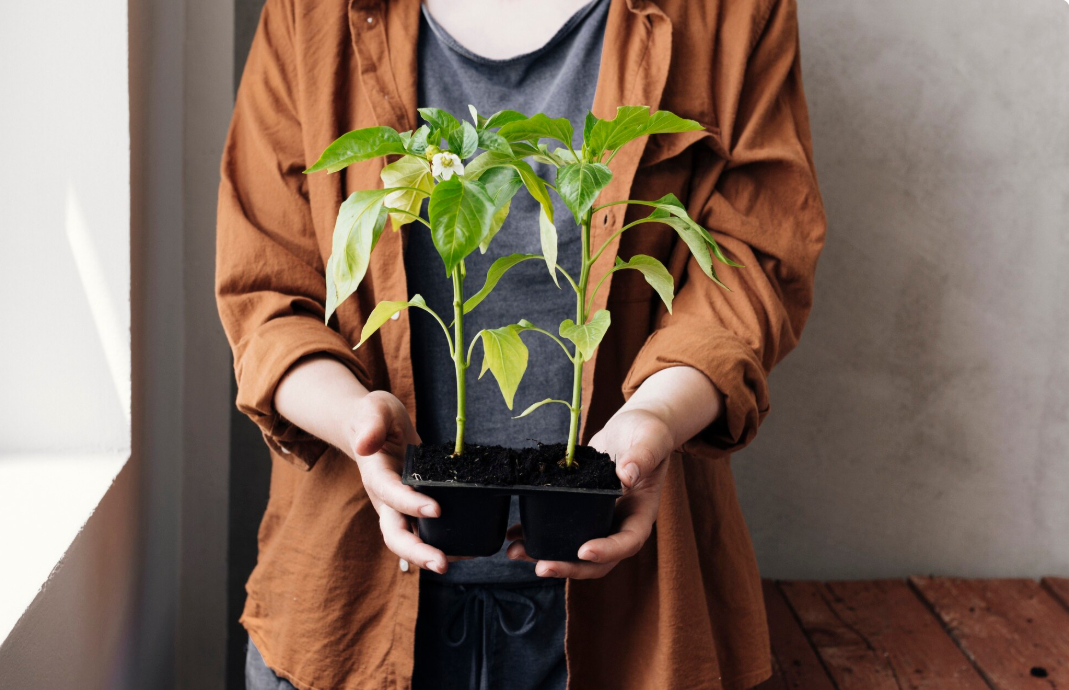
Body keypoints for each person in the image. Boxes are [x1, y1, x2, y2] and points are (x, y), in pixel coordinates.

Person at [215, 0, 825, 687]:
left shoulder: (731, 12)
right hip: (347, 596)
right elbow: (266, 287)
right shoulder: (311, 11)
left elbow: (757, 254)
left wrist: (656, 416)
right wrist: (355, 422)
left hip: (639, 606)